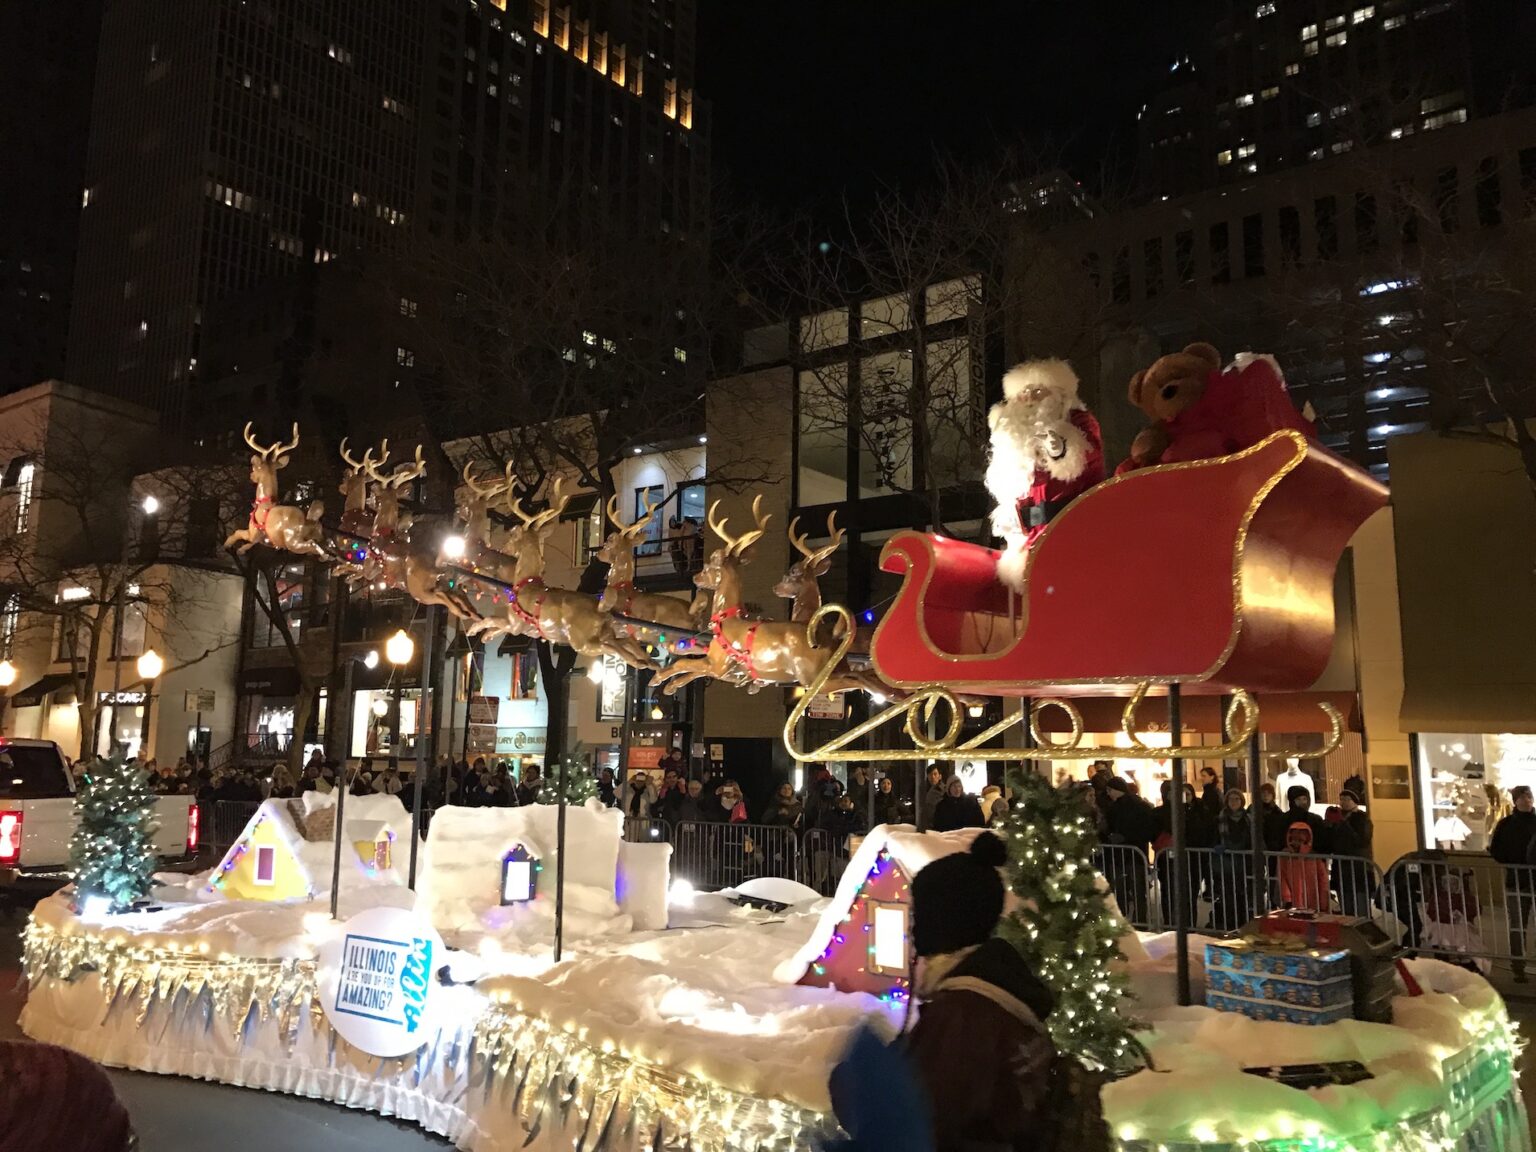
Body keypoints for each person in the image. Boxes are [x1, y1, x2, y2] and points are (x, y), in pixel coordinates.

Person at [905, 832, 1057, 1151]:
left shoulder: (961, 1013)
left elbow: (926, 1119)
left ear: (945, 919)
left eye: (919, 914)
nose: (912, 928)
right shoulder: (1002, 989)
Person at [1491, 785, 1536, 981]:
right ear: (1515, 800)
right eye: (1523, 797)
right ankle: (1518, 966)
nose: (1527, 800)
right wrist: (1513, 860)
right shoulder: (1506, 824)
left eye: (1529, 796)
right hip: (1516, 881)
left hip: (1528, 879)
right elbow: (1497, 850)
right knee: (1518, 925)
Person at [1102, 776, 1156, 924]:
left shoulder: (1118, 807)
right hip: (1132, 854)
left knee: (1125, 890)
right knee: (1135, 891)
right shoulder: (1138, 805)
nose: (1108, 794)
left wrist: (1122, 837)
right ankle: (1139, 922)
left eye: (1109, 790)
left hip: (1125, 854)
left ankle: (1126, 921)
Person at [1212, 788, 1252, 930]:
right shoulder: (1220, 818)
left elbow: (1251, 838)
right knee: (1228, 894)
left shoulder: (1248, 819)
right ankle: (1230, 924)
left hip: (1244, 861)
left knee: (1244, 893)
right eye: (1231, 799)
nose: (1234, 802)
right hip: (1227, 862)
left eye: (1237, 799)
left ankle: (1244, 923)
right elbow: (1215, 837)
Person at [1333, 788, 1375, 917]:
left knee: (1360, 903)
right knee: (1346, 904)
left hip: (1358, 867)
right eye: (1341, 799)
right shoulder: (1337, 818)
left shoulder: (1362, 818)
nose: (1343, 802)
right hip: (1341, 866)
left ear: (1355, 801)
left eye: (1347, 799)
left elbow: (1362, 840)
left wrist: (1345, 824)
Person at [1278, 821, 1330, 912]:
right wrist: (1287, 899)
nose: (1297, 843)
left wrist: (1323, 903)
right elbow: (1282, 878)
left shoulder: (1314, 857)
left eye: (1300, 840)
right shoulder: (1285, 857)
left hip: (1312, 902)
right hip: (1297, 903)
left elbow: (1323, 881)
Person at [919, 766, 946, 831]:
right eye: (930, 774)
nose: (932, 777)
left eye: (935, 774)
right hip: (927, 825)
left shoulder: (945, 790)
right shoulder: (924, 789)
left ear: (940, 776)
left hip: (938, 825)